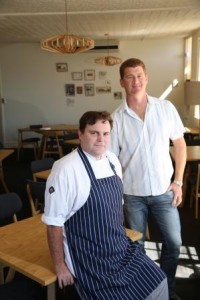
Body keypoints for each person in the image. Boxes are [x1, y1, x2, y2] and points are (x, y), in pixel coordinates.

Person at [42, 110, 168, 300]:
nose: (101, 139)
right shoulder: (65, 169)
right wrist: (60, 266)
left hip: (119, 246)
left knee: (159, 281)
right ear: (80, 134)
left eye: (106, 133)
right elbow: (53, 223)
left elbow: (114, 209)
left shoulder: (112, 160)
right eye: (94, 133)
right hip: (91, 257)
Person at [109, 58, 187, 300]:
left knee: (174, 244)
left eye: (139, 75)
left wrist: (179, 181)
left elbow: (180, 144)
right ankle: (143, 291)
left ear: (147, 77)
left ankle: (168, 288)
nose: (135, 80)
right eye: (130, 76)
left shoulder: (165, 108)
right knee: (136, 248)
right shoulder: (117, 118)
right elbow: (111, 160)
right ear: (122, 82)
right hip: (132, 194)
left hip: (165, 191)